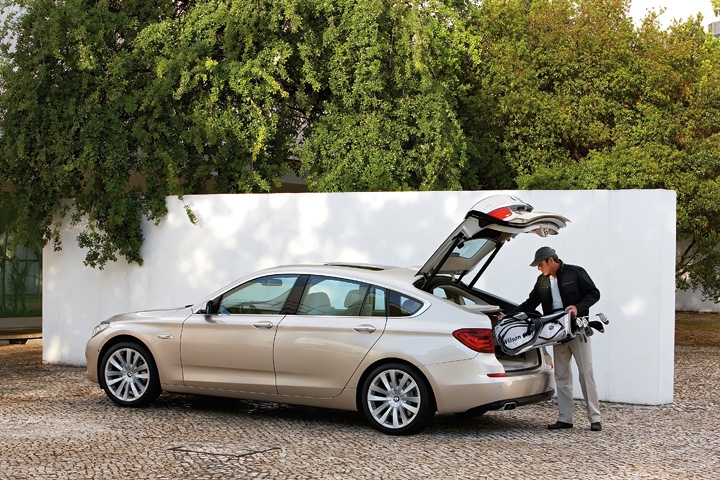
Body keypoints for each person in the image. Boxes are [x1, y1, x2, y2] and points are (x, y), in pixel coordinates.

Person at [499, 246, 602, 432]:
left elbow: (594, 293)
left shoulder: (575, 272)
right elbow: (530, 303)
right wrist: (509, 316)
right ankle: (565, 418)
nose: (539, 268)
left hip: (578, 330)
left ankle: (595, 418)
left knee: (586, 373)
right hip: (556, 334)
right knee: (561, 376)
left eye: (540, 264)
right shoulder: (542, 281)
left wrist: (578, 307)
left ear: (551, 260)